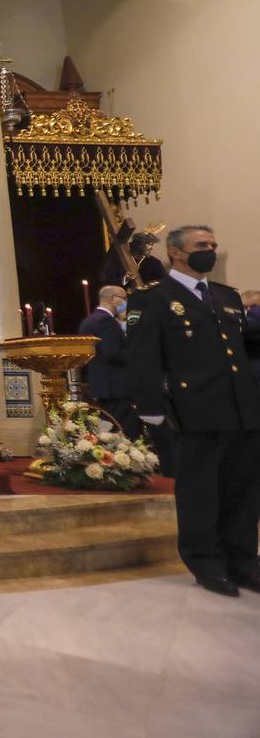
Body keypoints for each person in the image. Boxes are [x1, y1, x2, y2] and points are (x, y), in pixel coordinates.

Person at [126, 225, 260, 598]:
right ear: (176, 253)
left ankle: (244, 560)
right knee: (200, 491)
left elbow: (243, 348)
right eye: (202, 245)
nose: (210, 250)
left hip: (243, 409)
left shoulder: (226, 296)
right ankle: (206, 561)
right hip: (195, 410)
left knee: (244, 490)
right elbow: (142, 357)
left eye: (213, 244)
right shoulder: (152, 300)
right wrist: (150, 409)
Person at [77, 284, 139, 438]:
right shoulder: (106, 321)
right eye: (124, 298)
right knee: (123, 433)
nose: (127, 301)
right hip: (116, 387)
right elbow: (113, 353)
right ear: (112, 299)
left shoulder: (89, 321)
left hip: (101, 385)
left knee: (109, 433)